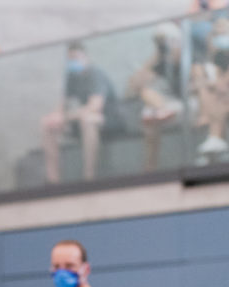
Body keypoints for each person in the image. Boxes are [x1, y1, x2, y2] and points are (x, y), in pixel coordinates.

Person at [41, 42, 123, 183]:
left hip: (110, 121)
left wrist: (66, 117)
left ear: (85, 56)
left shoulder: (95, 74)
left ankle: (89, 177)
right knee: (47, 123)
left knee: (88, 119)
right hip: (81, 120)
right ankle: (52, 180)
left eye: (75, 57)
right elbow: (62, 105)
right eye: (70, 59)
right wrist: (55, 116)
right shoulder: (72, 77)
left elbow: (94, 107)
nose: (73, 61)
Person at [125, 22, 186, 170]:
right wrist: (156, 57)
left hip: (185, 105)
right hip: (163, 108)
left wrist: (176, 50)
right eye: (160, 43)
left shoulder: (188, 59)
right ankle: (149, 168)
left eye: (165, 41)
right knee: (148, 104)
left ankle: (162, 110)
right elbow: (133, 87)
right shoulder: (159, 63)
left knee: (151, 112)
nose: (163, 45)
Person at [192, 18, 229, 157]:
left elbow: (226, 80)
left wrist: (211, 84)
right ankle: (215, 139)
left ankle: (212, 131)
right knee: (214, 98)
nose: (220, 37)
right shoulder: (218, 56)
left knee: (215, 100)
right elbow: (220, 84)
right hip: (225, 96)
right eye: (217, 34)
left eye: (223, 33)